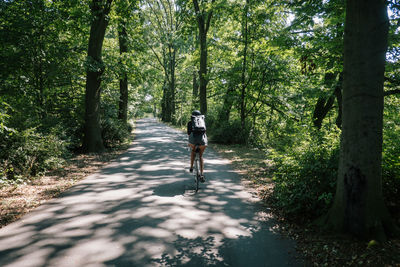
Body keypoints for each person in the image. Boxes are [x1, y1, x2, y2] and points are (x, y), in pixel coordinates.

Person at [187, 110, 208, 182]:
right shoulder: (203, 122)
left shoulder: (190, 123)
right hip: (202, 142)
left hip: (193, 141)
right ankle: (202, 174)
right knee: (201, 156)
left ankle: (191, 167)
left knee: (193, 152)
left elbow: (189, 133)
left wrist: (189, 143)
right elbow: (205, 132)